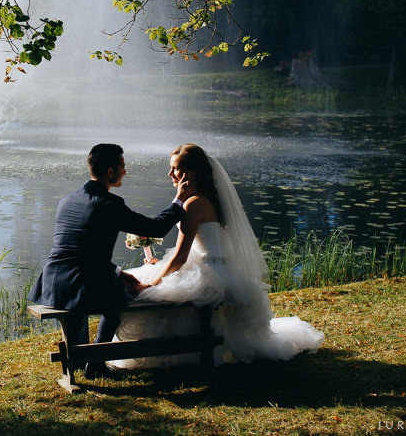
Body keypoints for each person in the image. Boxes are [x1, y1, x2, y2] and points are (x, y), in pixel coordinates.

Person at [109, 144, 324, 369]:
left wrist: (152, 283)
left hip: (204, 272)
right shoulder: (208, 198)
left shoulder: (192, 204)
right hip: (217, 268)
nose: (170, 174)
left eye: (175, 169)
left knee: (143, 289)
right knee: (144, 279)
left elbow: (181, 257)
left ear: (190, 173)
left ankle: (154, 349)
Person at [29, 143, 184, 379]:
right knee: (121, 299)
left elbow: (81, 253)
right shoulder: (109, 205)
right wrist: (178, 201)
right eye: (122, 166)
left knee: (99, 293)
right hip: (79, 285)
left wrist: (118, 273)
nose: (125, 171)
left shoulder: (67, 201)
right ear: (110, 172)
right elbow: (156, 228)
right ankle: (96, 361)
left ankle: (82, 359)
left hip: (51, 283)